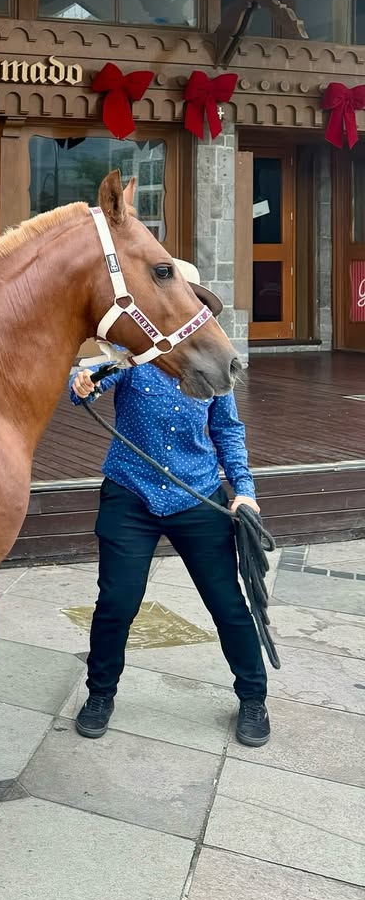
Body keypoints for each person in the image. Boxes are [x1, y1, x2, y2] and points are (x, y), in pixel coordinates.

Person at [69, 260, 270, 748]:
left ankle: (253, 698)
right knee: (116, 602)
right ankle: (100, 694)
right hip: (130, 494)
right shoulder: (137, 354)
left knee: (229, 605)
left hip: (198, 496)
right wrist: (84, 379)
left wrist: (244, 490)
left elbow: (227, 430)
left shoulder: (211, 366)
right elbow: (94, 382)